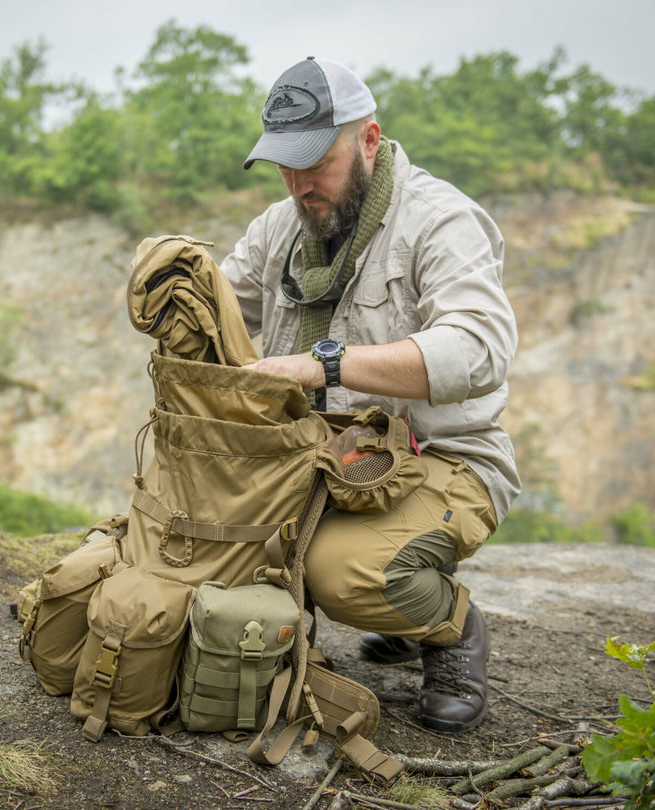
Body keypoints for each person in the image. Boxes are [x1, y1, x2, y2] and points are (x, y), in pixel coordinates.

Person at [220, 57, 520, 733]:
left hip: (442, 456)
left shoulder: (441, 221)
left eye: (317, 163)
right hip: (320, 459)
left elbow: (481, 350)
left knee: (341, 574)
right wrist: (166, 280)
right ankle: (401, 613)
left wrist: (327, 365)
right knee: (209, 533)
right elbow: (218, 305)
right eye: (284, 166)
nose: (300, 185)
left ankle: (451, 627)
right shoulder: (281, 226)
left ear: (370, 139)